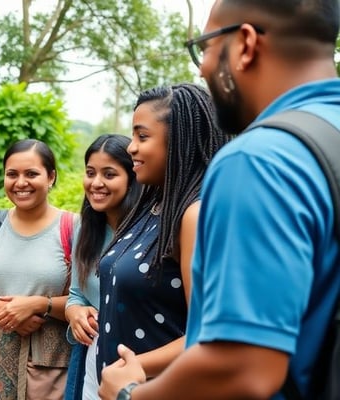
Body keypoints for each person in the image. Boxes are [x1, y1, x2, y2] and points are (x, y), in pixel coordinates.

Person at [99, 1, 340, 399]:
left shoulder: (260, 159)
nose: (201, 69)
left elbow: (244, 368)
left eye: (206, 47)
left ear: (245, 44)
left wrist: (129, 395)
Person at [95, 83, 229, 388]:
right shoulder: (150, 206)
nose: (131, 147)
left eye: (143, 136)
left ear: (180, 140)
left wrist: (129, 368)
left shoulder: (194, 214)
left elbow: (206, 335)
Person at [0, 138, 74, 400]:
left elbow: (85, 301)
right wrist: (12, 313)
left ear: (51, 177)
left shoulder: (72, 228)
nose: (20, 182)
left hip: (51, 367)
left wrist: (37, 304)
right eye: (12, 174)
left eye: (32, 174)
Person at [63, 134, 140, 400]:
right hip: (93, 358)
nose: (96, 183)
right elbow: (76, 294)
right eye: (90, 172)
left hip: (140, 360)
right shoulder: (85, 229)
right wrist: (75, 313)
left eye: (109, 174)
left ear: (132, 178)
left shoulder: (150, 232)